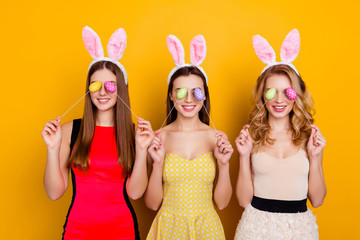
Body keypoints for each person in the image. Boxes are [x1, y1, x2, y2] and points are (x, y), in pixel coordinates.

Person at [41, 26, 153, 240]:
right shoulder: (70, 131)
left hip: (123, 232)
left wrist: (141, 148)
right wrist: (52, 149)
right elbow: (54, 193)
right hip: (77, 232)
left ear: (121, 89)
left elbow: (136, 193)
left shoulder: (135, 134)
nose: (102, 92)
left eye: (110, 86)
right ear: (88, 89)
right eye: (95, 86)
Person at [235, 29, 326, 240]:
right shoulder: (252, 135)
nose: (279, 100)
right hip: (255, 228)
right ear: (262, 96)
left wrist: (315, 156)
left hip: (300, 230)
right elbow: (242, 200)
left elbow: (318, 199)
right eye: (271, 92)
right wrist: (242, 155)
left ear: (297, 95)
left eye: (287, 92)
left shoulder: (309, 136)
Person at [145, 35, 233, 240]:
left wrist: (225, 164)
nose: (189, 99)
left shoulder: (216, 137)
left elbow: (221, 203)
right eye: (181, 91)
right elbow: (151, 204)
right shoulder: (159, 138)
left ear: (205, 95)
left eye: (197, 92)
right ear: (171, 95)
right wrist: (157, 164)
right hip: (168, 229)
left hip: (207, 228)